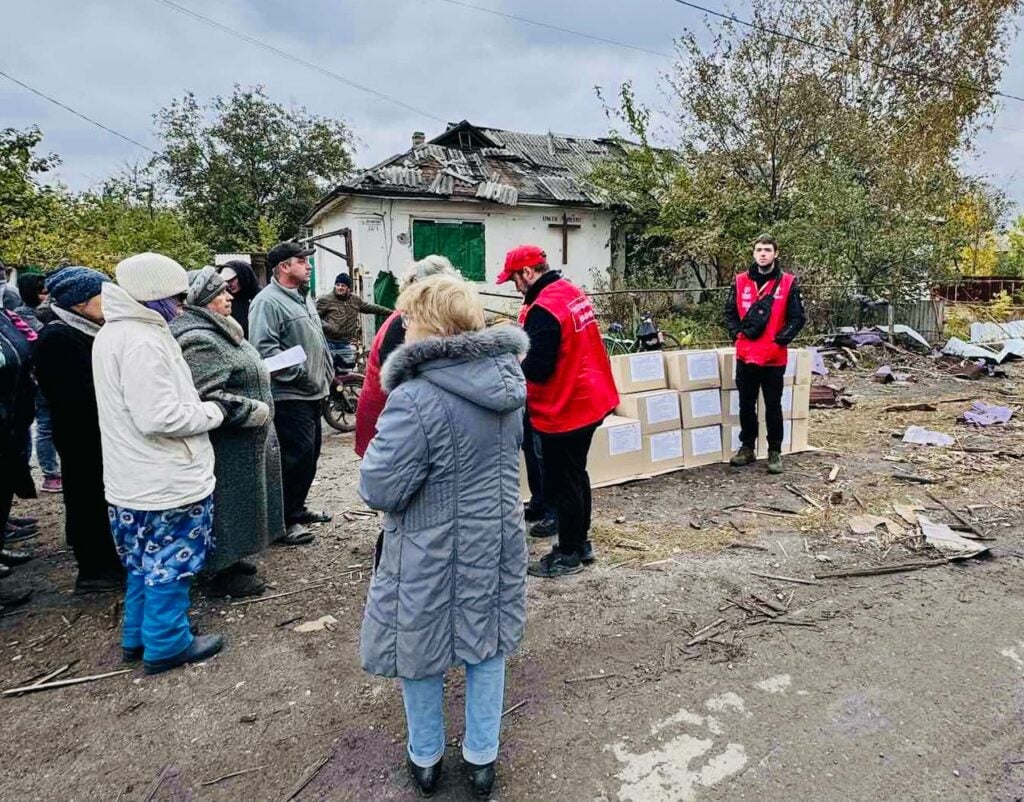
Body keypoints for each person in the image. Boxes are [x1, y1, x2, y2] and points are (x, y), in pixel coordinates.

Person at [359, 275, 528, 798]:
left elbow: (380, 487)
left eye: (410, 317)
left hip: (428, 545)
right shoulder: (506, 386)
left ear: (431, 324)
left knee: (420, 645)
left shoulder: (415, 397)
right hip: (496, 536)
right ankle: (482, 758)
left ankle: (426, 756)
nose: (404, 326)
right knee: (487, 642)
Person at [93, 252, 225, 675]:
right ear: (155, 295)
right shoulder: (143, 341)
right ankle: (167, 642)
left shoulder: (113, 333)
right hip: (165, 477)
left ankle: (138, 634)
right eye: (177, 297)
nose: (183, 305)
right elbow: (159, 417)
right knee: (172, 560)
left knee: (141, 560)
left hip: (131, 477)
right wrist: (214, 412)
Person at [497, 245, 619, 579]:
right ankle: (580, 543)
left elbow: (538, 367)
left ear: (528, 273)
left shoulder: (543, 309)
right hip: (590, 396)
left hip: (566, 405)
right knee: (576, 475)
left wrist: (512, 353)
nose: (515, 287)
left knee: (564, 481)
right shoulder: (568, 291)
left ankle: (567, 554)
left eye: (514, 280)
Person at [172, 266, 284, 598]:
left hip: (243, 442)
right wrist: (253, 410)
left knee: (243, 502)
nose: (229, 296)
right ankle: (221, 571)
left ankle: (233, 560)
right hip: (227, 445)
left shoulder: (219, 329)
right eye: (220, 292)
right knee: (227, 505)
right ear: (203, 299)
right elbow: (204, 396)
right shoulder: (199, 339)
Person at [34, 267, 125, 594]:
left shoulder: (85, 329)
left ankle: (105, 558)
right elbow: (75, 395)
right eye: (103, 295)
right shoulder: (58, 337)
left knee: (98, 496)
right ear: (80, 301)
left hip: (94, 430)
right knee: (87, 496)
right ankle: (94, 569)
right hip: (81, 435)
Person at [249, 242, 334, 546]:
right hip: (290, 395)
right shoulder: (267, 302)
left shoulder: (302, 298)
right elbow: (264, 350)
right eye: (302, 261)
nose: (308, 265)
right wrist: (298, 375)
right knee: (293, 459)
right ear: (284, 267)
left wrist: (326, 374)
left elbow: (316, 343)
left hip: (312, 393)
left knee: (308, 458)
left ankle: (296, 509)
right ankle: (284, 522)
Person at [353, 254, 460, 458]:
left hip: (395, 418)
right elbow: (405, 387)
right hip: (389, 420)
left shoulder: (415, 317)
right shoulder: (405, 323)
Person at [724, 235, 806, 475]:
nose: (763, 254)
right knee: (746, 405)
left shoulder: (788, 283)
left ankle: (774, 452)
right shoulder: (739, 281)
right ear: (753, 254)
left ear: (776, 254)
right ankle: (747, 448)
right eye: (759, 250)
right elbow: (729, 312)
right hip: (745, 355)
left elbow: (798, 318)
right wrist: (737, 334)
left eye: (767, 250)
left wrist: (780, 340)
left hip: (774, 358)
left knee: (773, 406)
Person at [16, 272, 61, 493]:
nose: (46, 297)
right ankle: (50, 473)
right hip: (37, 377)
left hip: (49, 374)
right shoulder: (23, 314)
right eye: (42, 292)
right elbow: (44, 334)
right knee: (45, 426)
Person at [316, 272, 392, 368]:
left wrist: (392, 313)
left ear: (348, 288)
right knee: (330, 371)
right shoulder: (326, 299)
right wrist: (329, 327)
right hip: (330, 342)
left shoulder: (355, 300)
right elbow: (314, 318)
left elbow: (371, 308)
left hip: (345, 342)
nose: (339, 287)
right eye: (337, 285)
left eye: (343, 285)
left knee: (346, 371)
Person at [217, 260, 260, 338]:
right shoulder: (226, 301)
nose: (229, 284)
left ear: (244, 276)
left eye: (232, 280)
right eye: (226, 281)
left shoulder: (261, 297)